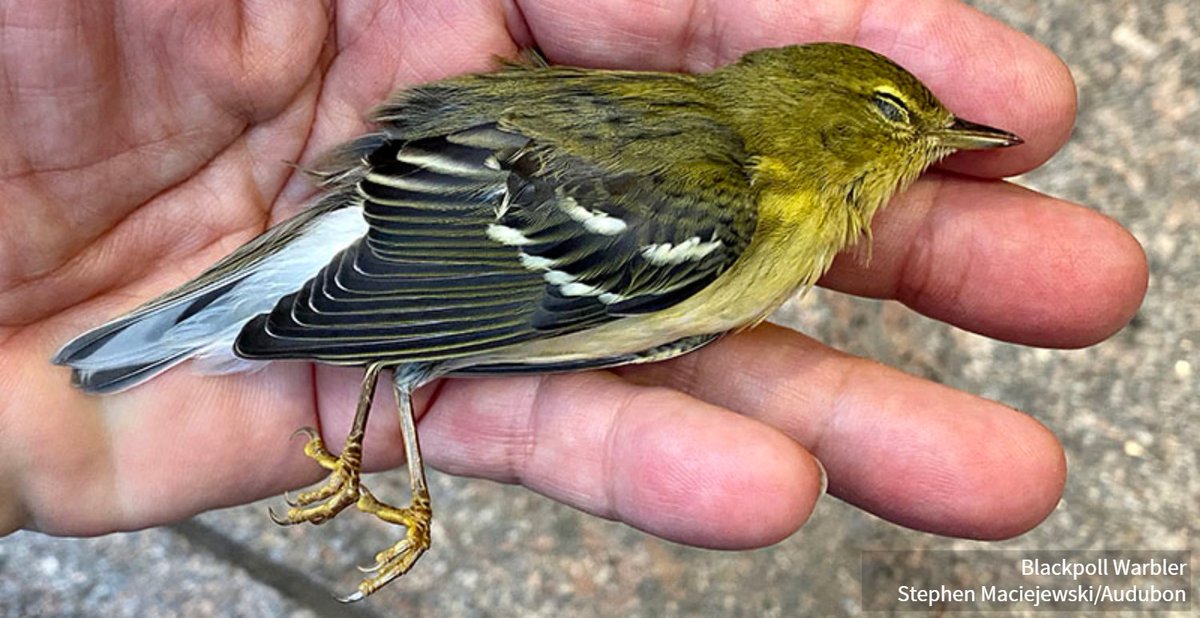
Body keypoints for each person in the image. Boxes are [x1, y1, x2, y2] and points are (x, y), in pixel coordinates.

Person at [0, 0, 1146, 555]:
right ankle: (343, 443)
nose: (929, 142)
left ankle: (336, 437)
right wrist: (329, 320)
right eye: (900, 121)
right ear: (828, 126)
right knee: (407, 338)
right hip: (440, 228)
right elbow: (501, 282)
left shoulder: (744, 167)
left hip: (443, 198)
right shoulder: (729, 205)